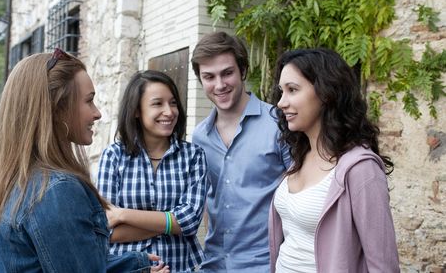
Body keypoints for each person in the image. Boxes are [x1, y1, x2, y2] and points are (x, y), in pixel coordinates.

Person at [0, 48, 160, 272]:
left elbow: (61, 259)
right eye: (89, 101)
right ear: (58, 108)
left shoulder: (14, 180)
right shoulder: (56, 192)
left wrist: (136, 264)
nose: (97, 113)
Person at [269, 48, 400, 272]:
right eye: (282, 91)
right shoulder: (300, 157)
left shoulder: (361, 170)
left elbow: (383, 265)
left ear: (326, 93)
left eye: (292, 90)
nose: (281, 102)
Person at [191, 31, 292, 272]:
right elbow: (208, 200)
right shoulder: (199, 137)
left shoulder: (279, 123)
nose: (219, 85)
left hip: (265, 264)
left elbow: (299, 193)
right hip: (214, 264)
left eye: (227, 73)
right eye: (209, 76)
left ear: (243, 70)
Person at [97, 70, 207, 273]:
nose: (169, 111)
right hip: (129, 269)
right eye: (158, 103)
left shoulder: (193, 156)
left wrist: (122, 214)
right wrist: (170, 223)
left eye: (173, 103)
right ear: (137, 110)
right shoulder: (113, 156)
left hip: (180, 268)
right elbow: (105, 229)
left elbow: (190, 222)